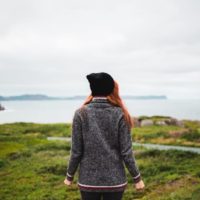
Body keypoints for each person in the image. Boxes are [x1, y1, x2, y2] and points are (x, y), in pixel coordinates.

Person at [64, 72, 145, 200]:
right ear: (110, 89)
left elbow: (76, 151)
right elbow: (126, 152)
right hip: (115, 181)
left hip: (88, 181)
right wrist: (137, 178)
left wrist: (70, 175)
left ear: (92, 89)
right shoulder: (120, 113)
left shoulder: (80, 113)